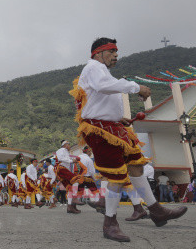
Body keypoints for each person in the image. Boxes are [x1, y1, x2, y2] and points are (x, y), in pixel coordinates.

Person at [69, 37, 187, 242]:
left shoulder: (101, 70)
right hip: (99, 130)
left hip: (112, 127)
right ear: (98, 53)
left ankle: (156, 210)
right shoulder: (94, 67)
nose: (116, 55)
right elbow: (104, 86)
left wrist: (117, 118)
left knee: (136, 167)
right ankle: (110, 223)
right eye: (112, 51)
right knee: (116, 176)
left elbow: (100, 97)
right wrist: (136, 87)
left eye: (117, 51)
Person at [54, 141, 82, 214]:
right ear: (66, 145)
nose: (70, 146)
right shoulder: (62, 150)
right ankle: (74, 198)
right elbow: (60, 158)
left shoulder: (66, 152)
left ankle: (70, 207)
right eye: (69, 145)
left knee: (69, 188)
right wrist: (71, 161)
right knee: (76, 180)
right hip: (62, 169)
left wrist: (72, 161)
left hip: (63, 170)